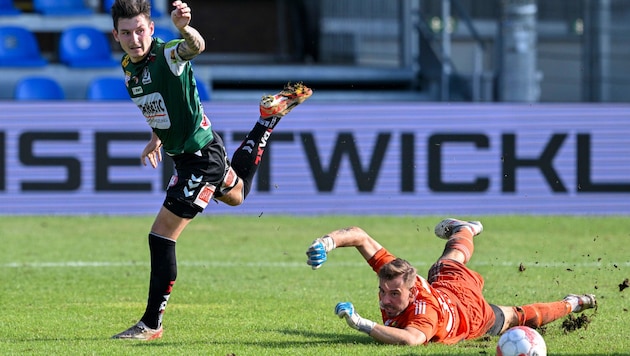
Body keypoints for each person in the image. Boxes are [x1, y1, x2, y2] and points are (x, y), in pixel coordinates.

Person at [110, 0, 312, 340]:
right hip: (199, 151)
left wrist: (185, 28)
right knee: (237, 196)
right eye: (127, 33)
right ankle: (267, 120)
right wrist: (156, 137)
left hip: (199, 159)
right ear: (116, 35)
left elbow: (195, 47)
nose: (135, 39)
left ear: (152, 29)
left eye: (141, 30)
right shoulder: (128, 65)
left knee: (160, 237)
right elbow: (159, 104)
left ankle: (150, 325)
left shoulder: (169, 55)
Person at [305, 218, 597, 346]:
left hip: (471, 317)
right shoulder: (400, 275)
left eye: (394, 294)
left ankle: (571, 303)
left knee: (519, 316)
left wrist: (361, 323)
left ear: (411, 290)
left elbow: (410, 340)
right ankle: (465, 228)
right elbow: (358, 235)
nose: (385, 300)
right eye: (383, 291)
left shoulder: (423, 315)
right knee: (449, 261)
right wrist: (326, 242)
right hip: (448, 290)